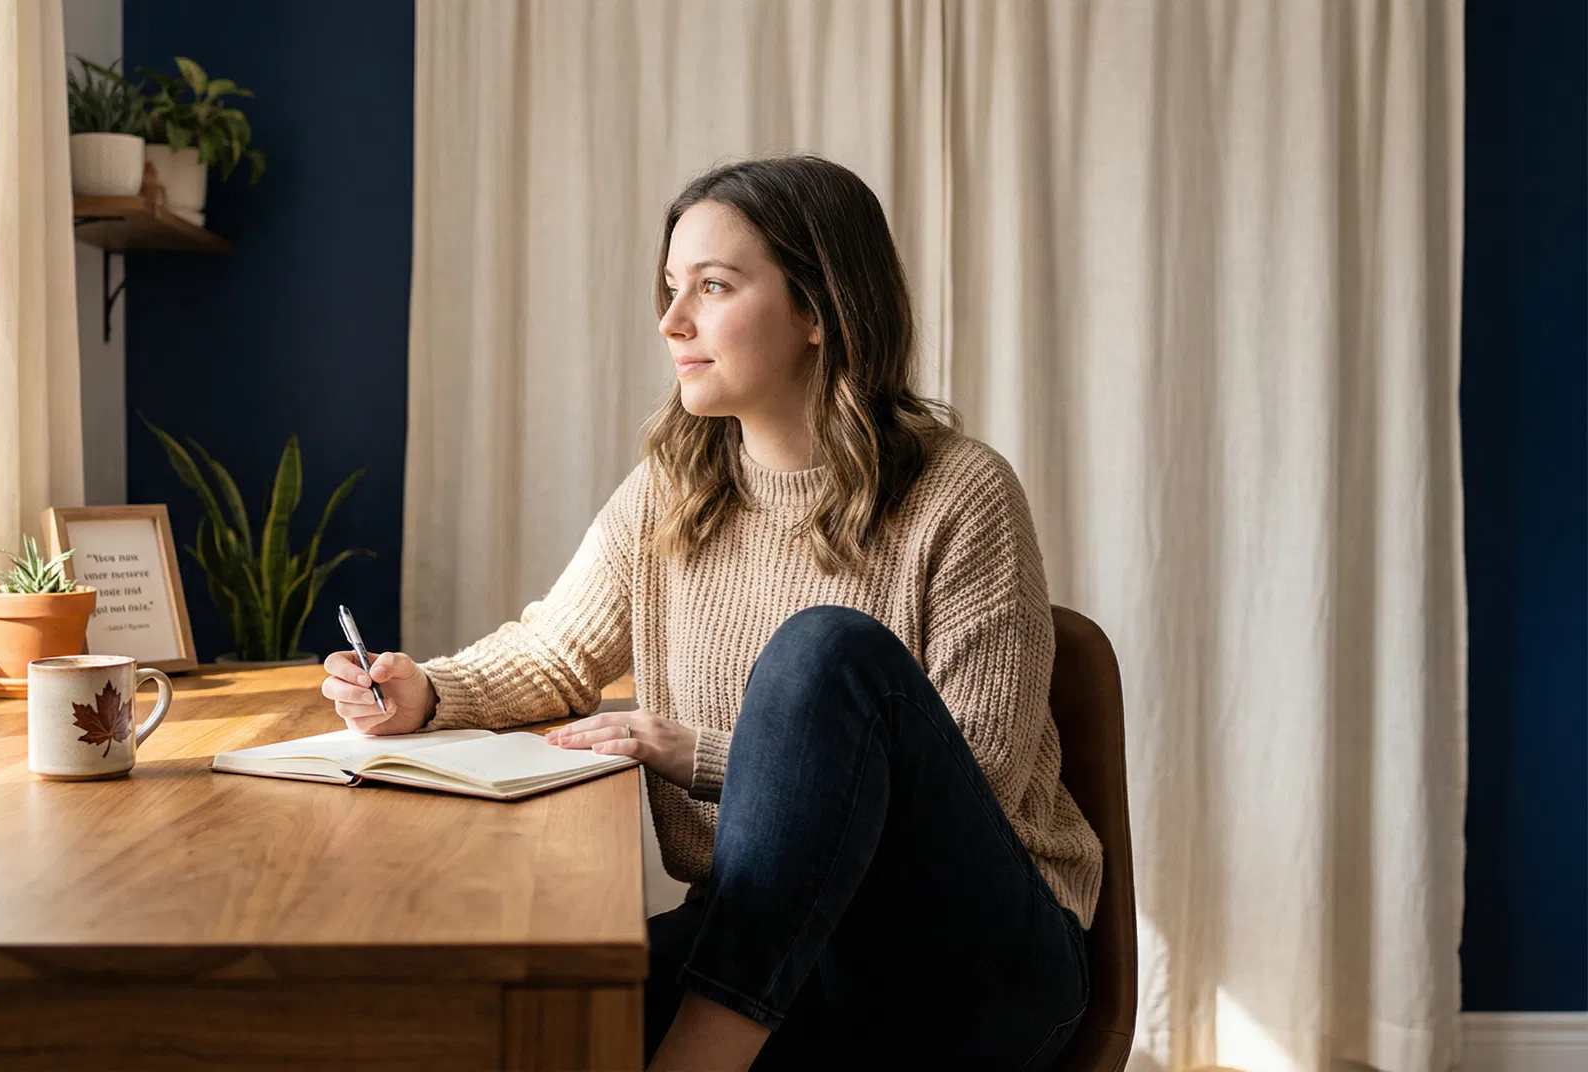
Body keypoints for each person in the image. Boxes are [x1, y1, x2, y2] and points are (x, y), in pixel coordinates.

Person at [321, 154, 1101, 1071]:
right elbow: (556, 652)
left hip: (972, 962)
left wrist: (699, 756)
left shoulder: (960, 492)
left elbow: (978, 777)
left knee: (824, 652)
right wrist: (427, 691)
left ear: (820, 310)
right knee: (499, 1020)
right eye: (670, 288)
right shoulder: (673, 492)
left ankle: (703, 1056)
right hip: (776, 948)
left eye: (714, 286)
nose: (672, 321)